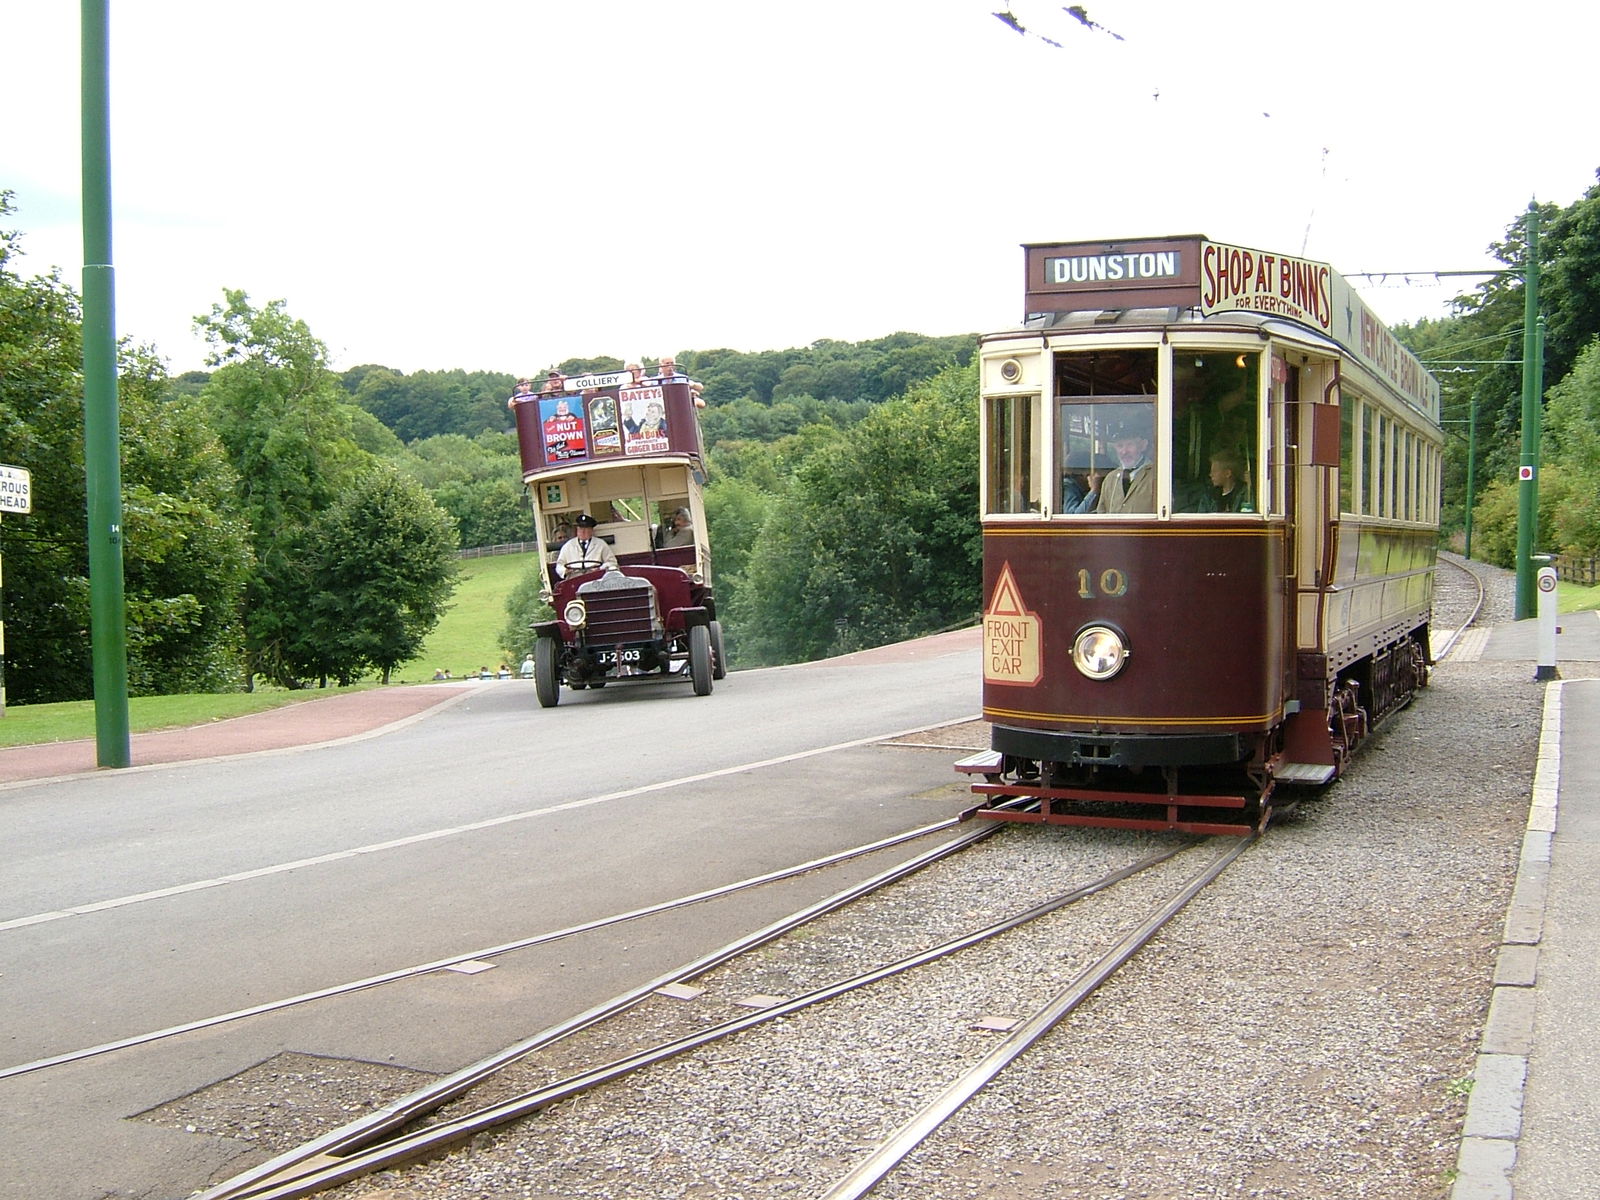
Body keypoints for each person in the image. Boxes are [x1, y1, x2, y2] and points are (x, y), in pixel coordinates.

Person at [1095, 418, 1156, 514]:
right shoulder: (1110, 479)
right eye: (1120, 446)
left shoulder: (1156, 476)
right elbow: (1101, 513)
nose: (1124, 451)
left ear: (1143, 445)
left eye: (1130, 445)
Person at [554, 513, 618, 578]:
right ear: (577, 530)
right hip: (574, 578)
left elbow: (612, 562)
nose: (583, 531)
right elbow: (559, 565)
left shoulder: (600, 544)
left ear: (591, 531)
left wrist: (600, 569)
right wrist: (565, 571)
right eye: (580, 529)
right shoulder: (568, 546)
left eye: (586, 529)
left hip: (596, 578)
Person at [1205, 447, 1253, 512]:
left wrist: (1249, 487)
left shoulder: (1244, 495)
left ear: (1228, 473)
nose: (1210, 475)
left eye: (1214, 471)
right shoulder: (1209, 497)